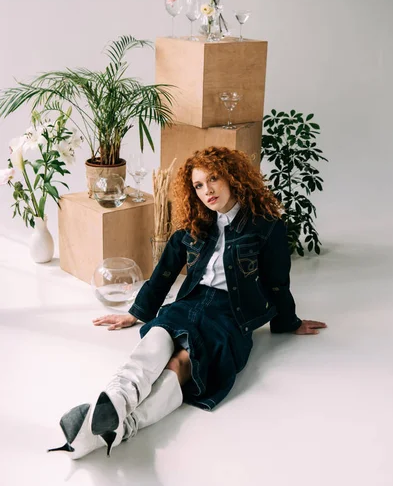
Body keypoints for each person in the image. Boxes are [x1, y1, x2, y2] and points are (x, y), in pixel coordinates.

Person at [49, 146, 326, 460]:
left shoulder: (266, 226)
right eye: (198, 186)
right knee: (156, 338)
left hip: (230, 315)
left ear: (232, 177)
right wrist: (135, 314)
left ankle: (114, 430)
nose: (207, 191)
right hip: (190, 303)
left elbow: (277, 282)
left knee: (179, 364)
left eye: (213, 179)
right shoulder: (195, 224)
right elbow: (164, 273)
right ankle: (115, 399)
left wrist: (289, 322)